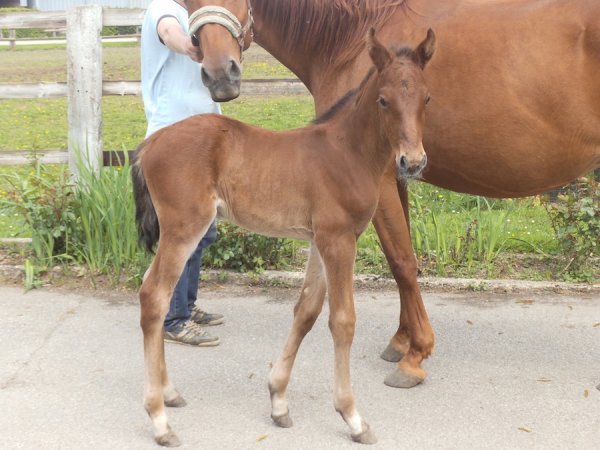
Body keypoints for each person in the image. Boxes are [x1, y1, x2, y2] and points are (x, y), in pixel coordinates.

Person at [141, 0, 223, 346]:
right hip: (175, 139)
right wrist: (190, 46)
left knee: (203, 232)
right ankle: (174, 318)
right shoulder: (162, 9)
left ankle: (185, 305)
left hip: (202, 142)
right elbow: (168, 33)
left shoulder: (197, 13)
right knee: (183, 233)